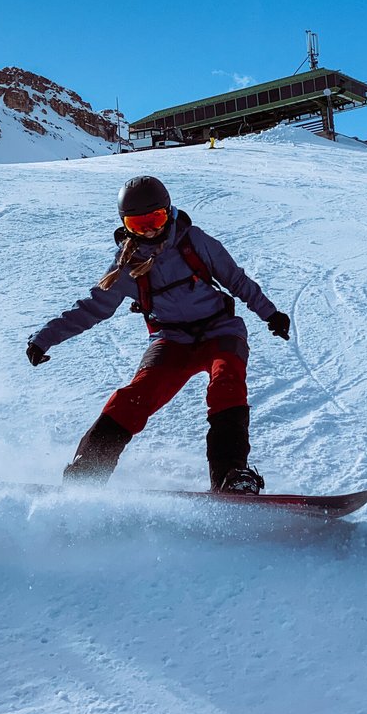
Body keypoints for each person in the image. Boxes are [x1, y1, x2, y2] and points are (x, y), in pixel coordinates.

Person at [26, 176, 290, 493]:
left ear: (168, 213)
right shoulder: (126, 266)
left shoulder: (195, 241)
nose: (150, 230)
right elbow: (93, 308)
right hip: (170, 340)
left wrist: (269, 313)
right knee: (134, 396)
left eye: (156, 220)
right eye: (139, 224)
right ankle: (87, 473)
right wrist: (45, 338)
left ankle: (231, 476)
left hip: (220, 330)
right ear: (126, 226)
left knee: (227, 381)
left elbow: (236, 279)